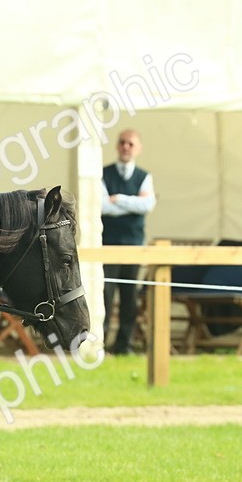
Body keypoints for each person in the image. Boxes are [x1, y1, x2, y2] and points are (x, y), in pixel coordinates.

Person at [100, 129, 157, 355]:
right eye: (122, 143)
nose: (126, 147)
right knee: (105, 293)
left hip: (134, 245)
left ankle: (125, 344)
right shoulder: (103, 174)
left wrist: (119, 199)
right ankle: (101, 343)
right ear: (116, 146)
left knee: (129, 296)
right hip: (108, 245)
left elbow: (147, 206)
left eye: (130, 144)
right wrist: (133, 203)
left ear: (138, 148)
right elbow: (102, 206)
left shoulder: (144, 176)